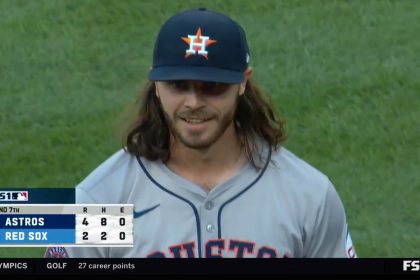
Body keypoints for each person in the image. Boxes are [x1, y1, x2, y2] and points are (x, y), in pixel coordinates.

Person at [45, 8, 356, 258]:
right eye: (178, 85)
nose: (194, 102)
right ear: (156, 85)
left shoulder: (306, 196)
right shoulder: (104, 201)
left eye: (213, 87)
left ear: (243, 82)